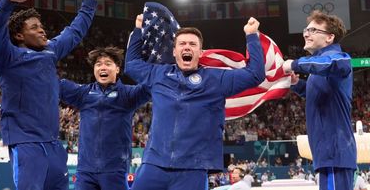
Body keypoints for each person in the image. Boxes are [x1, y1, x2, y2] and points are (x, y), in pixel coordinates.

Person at [0, 0, 101, 190]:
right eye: (35, 27)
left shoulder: (50, 51)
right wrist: (7, 2)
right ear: (19, 35)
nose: (42, 30)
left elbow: (74, 32)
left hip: (54, 145)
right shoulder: (8, 57)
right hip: (26, 143)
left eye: (42, 26)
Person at [125, 15, 265, 190]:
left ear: (200, 52)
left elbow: (255, 74)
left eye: (192, 44)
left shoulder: (216, 79)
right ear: (174, 51)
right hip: (154, 164)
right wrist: (138, 30)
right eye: (182, 44)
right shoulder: (158, 74)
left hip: (193, 167)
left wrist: (252, 35)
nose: (187, 47)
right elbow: (131, 65)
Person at [282, 10, 357, 190]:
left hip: (334, 152)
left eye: (313, 30)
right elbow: (317, 92)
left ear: (330, 37)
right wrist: (296, 83)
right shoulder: (319, 67)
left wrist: (295, 63)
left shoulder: (340, 59)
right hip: (328, 152)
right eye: (305, 30)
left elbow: (331, 64)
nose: (307, 34)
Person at [59, 47, 150, 190]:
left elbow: (151, 85)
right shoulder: (83, 93)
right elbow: (51, 85)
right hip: (85, 171)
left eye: (108, 63)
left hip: (115, 171)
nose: (103, 67)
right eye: (98, 64)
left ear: (118, 69)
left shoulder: (127, 95)